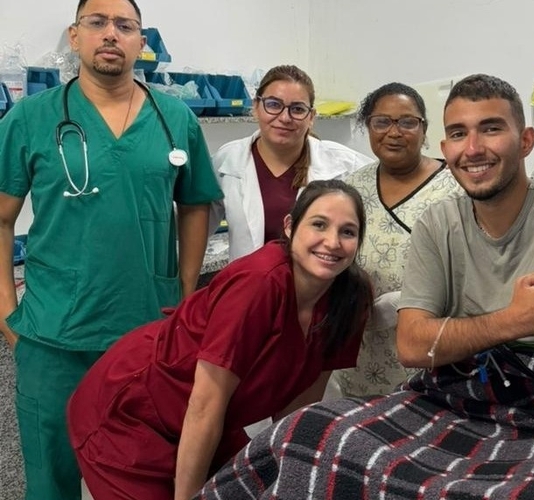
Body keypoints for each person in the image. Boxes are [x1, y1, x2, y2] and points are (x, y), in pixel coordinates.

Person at [197, 74, 534, 500]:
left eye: (491, 129)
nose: (472, 148)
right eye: (458, 133)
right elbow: (413, 345)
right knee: (306, 434)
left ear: (526, 140)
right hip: (460, 395)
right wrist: (514, 320)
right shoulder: (439, 223)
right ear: (446, 146)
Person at [0, 0, 222, 497]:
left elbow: (194, 205)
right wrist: (5, 313)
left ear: (140, 42)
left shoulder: (174, 117)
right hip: (52, 336)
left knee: (136, 478)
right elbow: (1, 217)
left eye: (125, 26)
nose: (110, 34)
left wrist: (186, 291)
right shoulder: (31, 118)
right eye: (96, 22)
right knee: (50, 481)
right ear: (74, 36)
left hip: (147, 333)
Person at [67, 179, 372, 500]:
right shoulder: (259, 284)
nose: (332, 242)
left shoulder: (350, 299)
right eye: (319, 224)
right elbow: (204, 405)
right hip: (133, 411)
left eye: (347, 232)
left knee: (252, 488)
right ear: (289, 226)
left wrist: (290, 485)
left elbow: (296, 413)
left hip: (211, 418)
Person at [328, 82, 462, 398]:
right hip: (362, 350)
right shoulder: (352, 187)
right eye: (382, 122)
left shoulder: (456, 187)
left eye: (407, 122)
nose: (394, 131)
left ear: (424, 128)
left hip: (435, 347)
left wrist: (407, 300)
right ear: (368, 126)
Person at [210, 65, 372, 261]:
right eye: (273, 104)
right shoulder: (228, 160)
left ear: (311, 117)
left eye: (297, 109)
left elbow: (388, 182)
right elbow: (197, 223)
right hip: (250, 286)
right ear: (255, 107)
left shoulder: (344, 163)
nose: (285, 118)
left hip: (320, 288)